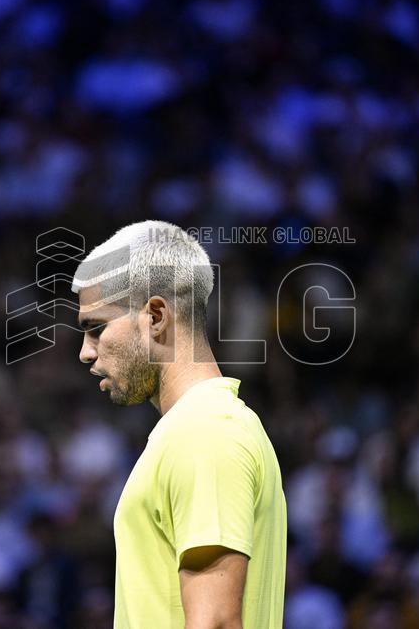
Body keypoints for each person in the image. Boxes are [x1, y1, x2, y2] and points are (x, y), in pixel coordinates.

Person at [72, 220, 287, 628]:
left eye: (96, 329)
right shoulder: (202, 428)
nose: (85, 353)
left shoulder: (205, 432)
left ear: (155, 315)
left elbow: (217, 622)